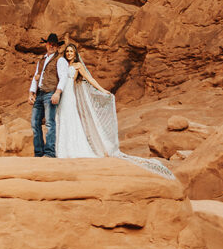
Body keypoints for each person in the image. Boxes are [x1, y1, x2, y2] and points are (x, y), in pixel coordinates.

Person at [55, 42, 174, 178]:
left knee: (71, 120)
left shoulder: (78, 66)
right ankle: (61, 149)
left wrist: (103, 90)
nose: (69, 53)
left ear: (75, 54)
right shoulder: (63, 65)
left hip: (70, 97)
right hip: (61, 95)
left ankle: (74, 149)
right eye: (68, 52)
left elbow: (90, 79)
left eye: (71, 51)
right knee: (62, 119)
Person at [29, 32, 68, 157]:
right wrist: (31, 93)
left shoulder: (60, 60)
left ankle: (50, 152)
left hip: (50, 93)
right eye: (50, 44)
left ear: (57, 46)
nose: (52, 46)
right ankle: (38, 152)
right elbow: (36, 78)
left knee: (50, 123)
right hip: (39, 94)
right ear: (46, 44)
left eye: (54, 45)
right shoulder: (41, 61)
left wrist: (57, 92)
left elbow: (63, 78)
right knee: (35, 123)